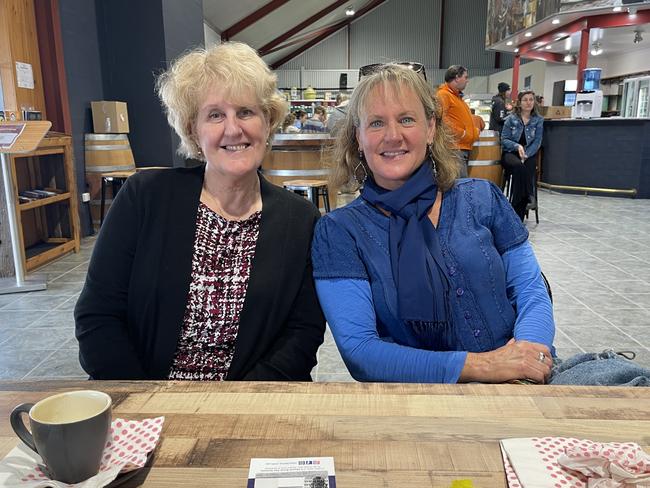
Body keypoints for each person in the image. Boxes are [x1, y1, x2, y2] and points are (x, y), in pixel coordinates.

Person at [75, 42, 325, 381]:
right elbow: (98, 316)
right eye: (215, 115)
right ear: (193, 129)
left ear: (268, 121)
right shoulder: (144, 198)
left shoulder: (301, 220)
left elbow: (302, 334)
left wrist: (234, 409)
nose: (233, 129)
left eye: (246, 112)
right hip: (144, 403)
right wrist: (146, 401)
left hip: (249, 408)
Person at [311, 64, 554, 384]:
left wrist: (529, 355)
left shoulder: (482, 198)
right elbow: (361, 351)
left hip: (521, 382)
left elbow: (531, 290)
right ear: (358, 137)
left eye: (406, 119)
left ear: (430, 128)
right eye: (376, 123)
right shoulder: (339, 232)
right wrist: (485, 366)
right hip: (417, 403)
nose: (392, 135)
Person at [500, 90, 544, 221]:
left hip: (528, 153)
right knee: (519, 167)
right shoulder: (511, 119)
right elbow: (504, 139)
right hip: (510, 153)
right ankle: (526, 198)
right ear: (519, 102)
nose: (529, 102)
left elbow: (537, 141)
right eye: (525, 99)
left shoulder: (538, 120)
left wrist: (526, 154)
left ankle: (517, 209)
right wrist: (517, 146)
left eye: (531, 99)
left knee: (528, 165)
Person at [436, 65, 479, 178]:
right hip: (454, 149)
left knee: (461, 185)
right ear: (456, 78)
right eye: (466, 77)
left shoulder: (456, 97)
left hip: (460, 148)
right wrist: (462, 133)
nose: (467, 80)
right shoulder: (444, 95)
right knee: (459, 186)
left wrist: (473, 131)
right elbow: (440, 120)